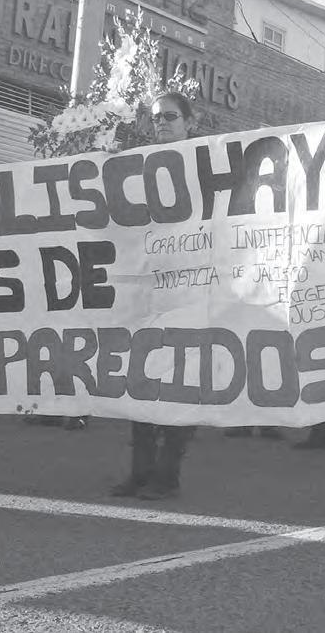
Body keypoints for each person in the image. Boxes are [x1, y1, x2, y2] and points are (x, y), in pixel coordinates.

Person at [110, 86, 197, 500]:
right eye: (156, 116)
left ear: (190, 123)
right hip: (145, 287)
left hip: (190, 290)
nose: (161, 122)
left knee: (180, 382)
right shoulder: (138, 167)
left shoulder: (205, 164)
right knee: (141, 378)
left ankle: (168, 474)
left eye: (170, 116)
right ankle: (140, 471)